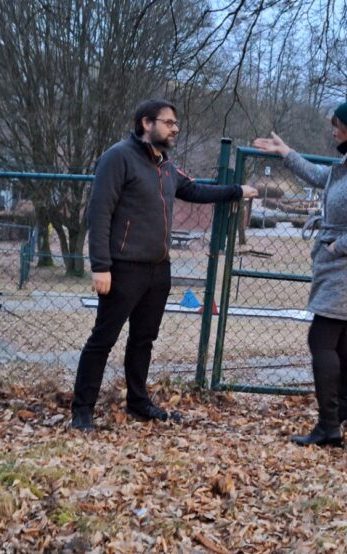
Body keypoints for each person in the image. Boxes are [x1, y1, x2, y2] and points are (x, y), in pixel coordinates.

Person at [71, 99, 258, 431]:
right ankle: (82, 410)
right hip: (122, 269)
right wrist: (100, 266)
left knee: (143, 340)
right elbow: (98, 213)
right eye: (169, 123)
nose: (175, 129)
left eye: (176, 124)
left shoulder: (166, 166)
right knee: (103, 339)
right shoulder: (118, 158)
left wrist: (236, 191)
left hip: (159, 270)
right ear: (147, 123)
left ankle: (138, 403)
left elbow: (195, 191)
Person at [252, 96, 347, 447]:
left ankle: (329, 426)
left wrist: (335, 246)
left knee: (320, 339)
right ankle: (343, 408)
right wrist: (286, 153)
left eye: (337, 126)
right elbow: (321, 177)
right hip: (342, 265)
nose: (333, 132)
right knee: (337, 337)